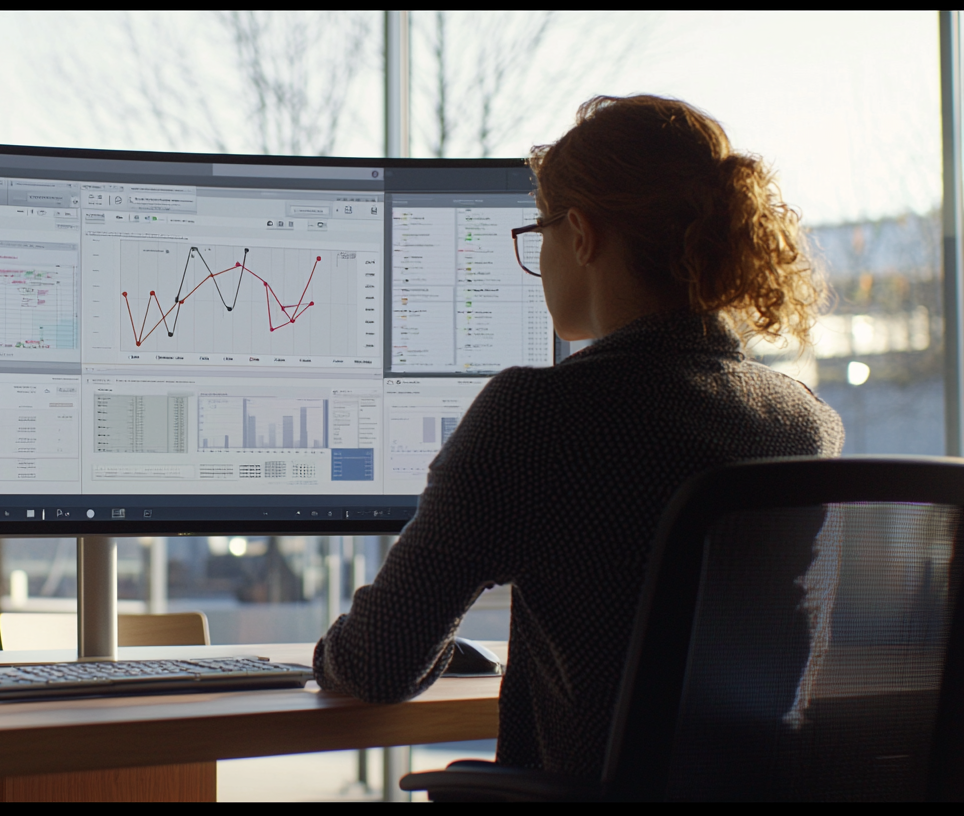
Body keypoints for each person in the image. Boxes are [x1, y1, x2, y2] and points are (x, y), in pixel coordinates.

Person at [312, 95, 845, 781]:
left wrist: (326, 655)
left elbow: (378, 664)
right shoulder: (806, 422)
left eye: (539, 233)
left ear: (582, 234)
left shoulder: (537, 415)